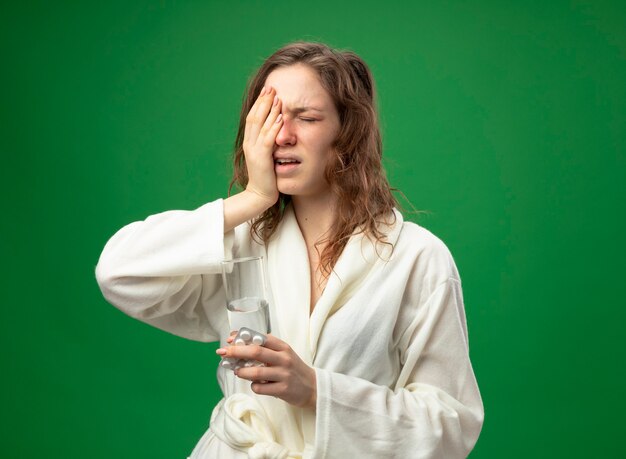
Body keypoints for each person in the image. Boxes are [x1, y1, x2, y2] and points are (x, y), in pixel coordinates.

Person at [95, 41, 484, 458]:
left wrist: (317, 390)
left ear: (347, 132)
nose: (282, 135)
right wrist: (253, 198)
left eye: (307, 117)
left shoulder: (417, 259)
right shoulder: (239, 241)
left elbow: (449, 427)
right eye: (270, 118)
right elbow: (117, 272)